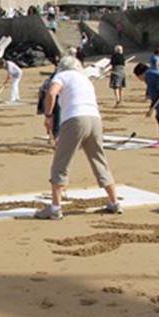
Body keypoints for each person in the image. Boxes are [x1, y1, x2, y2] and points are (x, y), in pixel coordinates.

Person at [34, 56, 120, 220]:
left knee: (61, 162)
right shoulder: (84, 78)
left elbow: (51, 93)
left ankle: (55, 207)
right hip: (95, 119)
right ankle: (114, 201)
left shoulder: (61, 76)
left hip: (75, 119)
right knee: (99, 160)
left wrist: (48, 116)